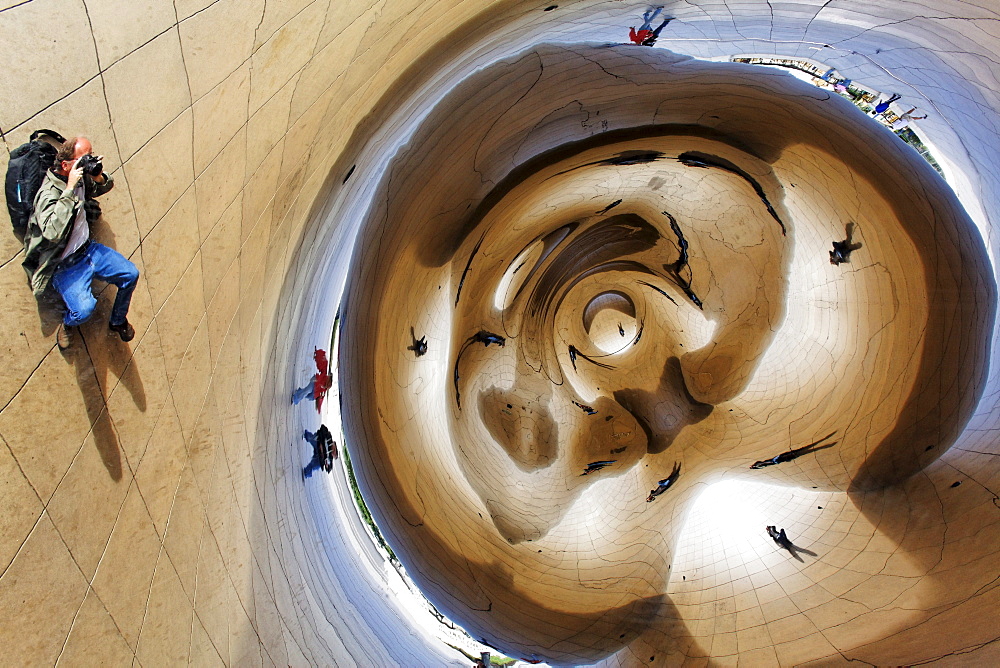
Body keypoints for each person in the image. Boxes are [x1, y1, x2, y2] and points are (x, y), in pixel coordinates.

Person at [22, 136, 138, 349]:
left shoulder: (81, 175)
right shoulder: (49, 194)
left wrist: (98, 176)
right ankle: (67, 322)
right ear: (66, 165)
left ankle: (117, 320)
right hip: (64, 264)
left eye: (90, 155)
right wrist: (70, 189)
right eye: (84, 158)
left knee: (130, 274)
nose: (89, 161)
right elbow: (52, 232)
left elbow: (103, 187)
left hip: (88, 250)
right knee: (84, 311)